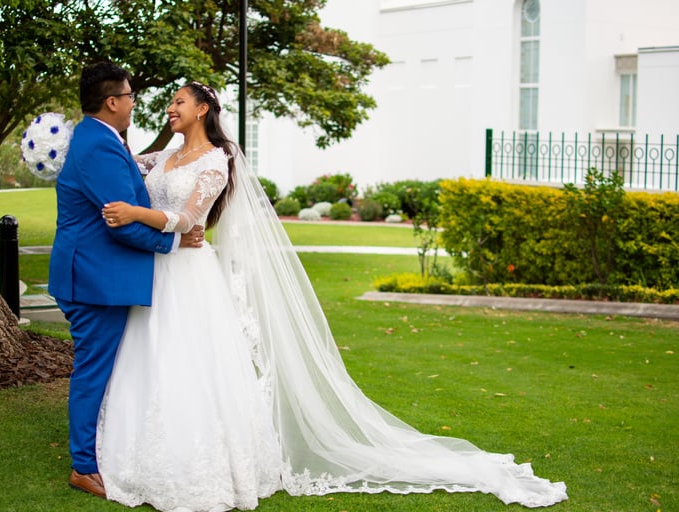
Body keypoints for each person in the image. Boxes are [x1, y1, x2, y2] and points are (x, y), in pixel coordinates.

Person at [97, 81, 568, 511]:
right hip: (157, 270)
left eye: (179, 101)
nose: (170, 108)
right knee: (153, 355)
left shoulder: (216, 160)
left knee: (194, 363)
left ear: (202, 109)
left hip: (191, 275)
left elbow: (189, 220)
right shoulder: (161, 157)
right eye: (171, 102)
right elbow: (119, 162)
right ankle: (140, 453)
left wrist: (135, 213)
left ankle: (204, 464)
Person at [47, 62, 204, 498]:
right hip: (94, 278)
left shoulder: (101, 138)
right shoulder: (98, 145)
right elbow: (121, 223)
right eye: (131, 95)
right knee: (93, 370)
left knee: (106, 367)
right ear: (113, 101)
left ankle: (104, 450)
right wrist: (175, 242)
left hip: (98, 274)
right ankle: (83, 466)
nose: (135, 103)